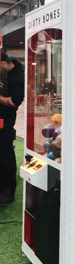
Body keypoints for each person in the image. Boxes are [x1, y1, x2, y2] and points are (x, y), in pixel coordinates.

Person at [0, 52, 24, 206]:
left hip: (6, 121)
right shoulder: (3, 73)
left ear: (3, 63)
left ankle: (8, 190)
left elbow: (14, 102)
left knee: (5, 153)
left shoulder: (17, 76)